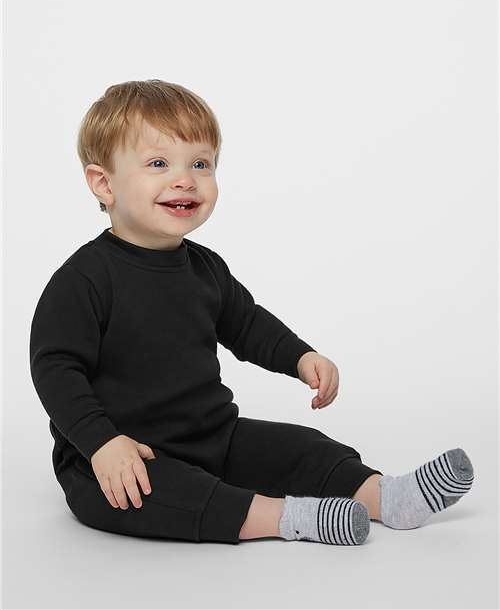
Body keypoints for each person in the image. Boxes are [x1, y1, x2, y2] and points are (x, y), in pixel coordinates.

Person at [29, 79, 474, 546]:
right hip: (120, 460)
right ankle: (289, 518)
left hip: (213, 436)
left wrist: (300, 357)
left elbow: (247, 324)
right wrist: (101, 442)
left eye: (200, 164)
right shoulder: (86, 279)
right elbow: (55, 367)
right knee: (166, 494)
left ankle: (387, 497)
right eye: (159, 163)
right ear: (104, 183)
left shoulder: (205, 268)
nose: (185, 179)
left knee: (302, 446)